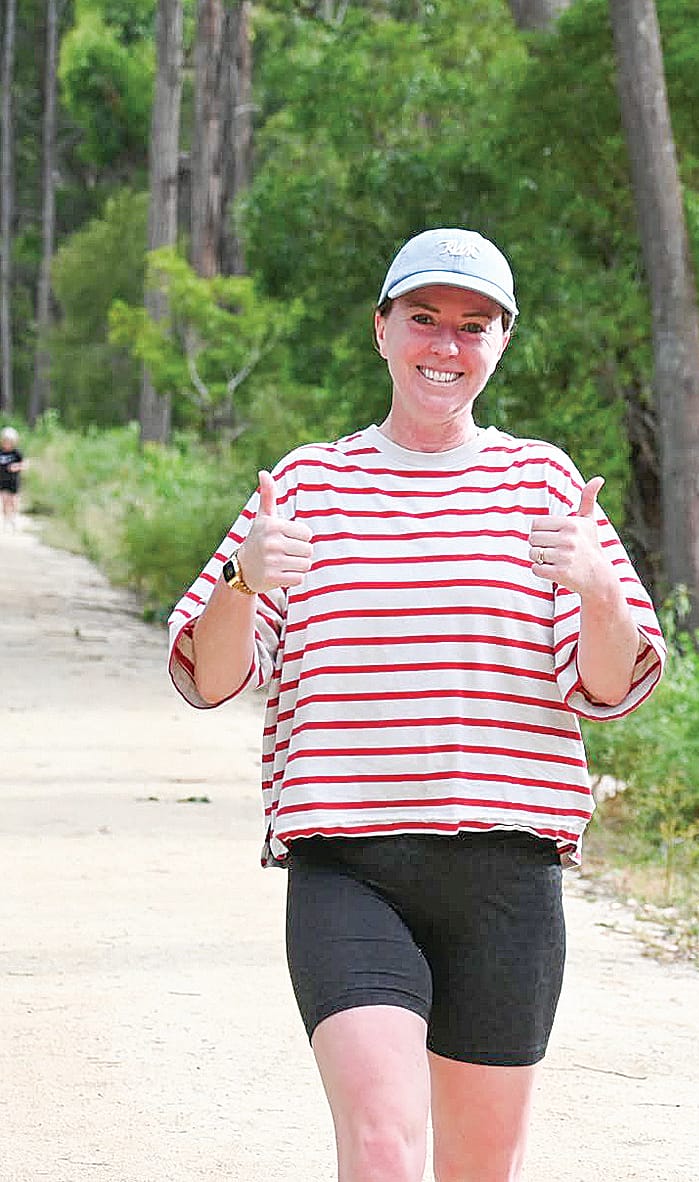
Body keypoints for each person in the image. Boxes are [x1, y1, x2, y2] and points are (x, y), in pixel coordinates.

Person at [167, 227, 667, 1182]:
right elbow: (213, 674)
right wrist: (242, 579)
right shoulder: (306, 484)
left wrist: (600, 589)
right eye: (425, 318)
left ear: (502, 342)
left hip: (508, 872)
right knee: (383, 1146)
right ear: (382, 330)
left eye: (473, 326)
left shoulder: (545, 484)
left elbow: (609, 686)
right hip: (349, 866)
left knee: (480, 1169)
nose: (447, 344)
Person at [0, 426, 24, 530]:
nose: (7, 444)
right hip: (2, 481)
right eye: (5, 441)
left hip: (14, 481)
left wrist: (16, 466)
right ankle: (6, 520)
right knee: (5, 501)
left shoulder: (16, 453)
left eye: (9, 441)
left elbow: (24, 464)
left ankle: (14, 518)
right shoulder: (1, 452)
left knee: (14, 501)